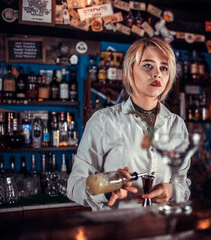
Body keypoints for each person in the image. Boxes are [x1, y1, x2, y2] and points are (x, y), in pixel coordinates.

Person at [67, 37, 191, 210]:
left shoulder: (177, 125)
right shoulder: (103, 121)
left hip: (162, 229)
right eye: (148, 65)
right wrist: (108, 186)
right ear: (129, 71)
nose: (157, 73)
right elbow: (74, 185)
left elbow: (182, 184)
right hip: (116, 228)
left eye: (164, 67)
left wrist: (172, 191)